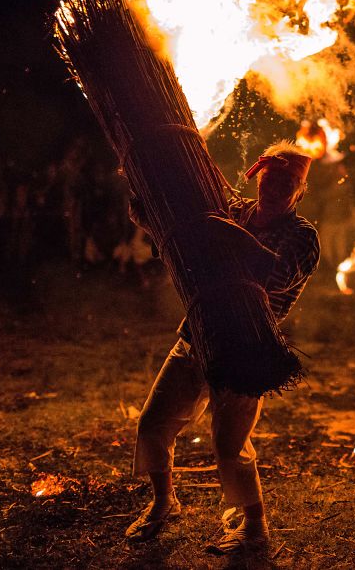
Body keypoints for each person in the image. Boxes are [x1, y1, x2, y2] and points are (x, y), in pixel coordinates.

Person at [124, 141, 320, 555]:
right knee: (153, 423)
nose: (276, 187)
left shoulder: (302, 235)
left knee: (230, 445)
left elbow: (277, 276)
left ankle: (253, 528)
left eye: (288, 182)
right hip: (197, 332)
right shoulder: (235, 210)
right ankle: (164, 503)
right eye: (271, 177)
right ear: (259, 175)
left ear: (299, 191)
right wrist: (151, 216)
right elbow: (193, 241)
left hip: (246, 344)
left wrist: (230, 235)